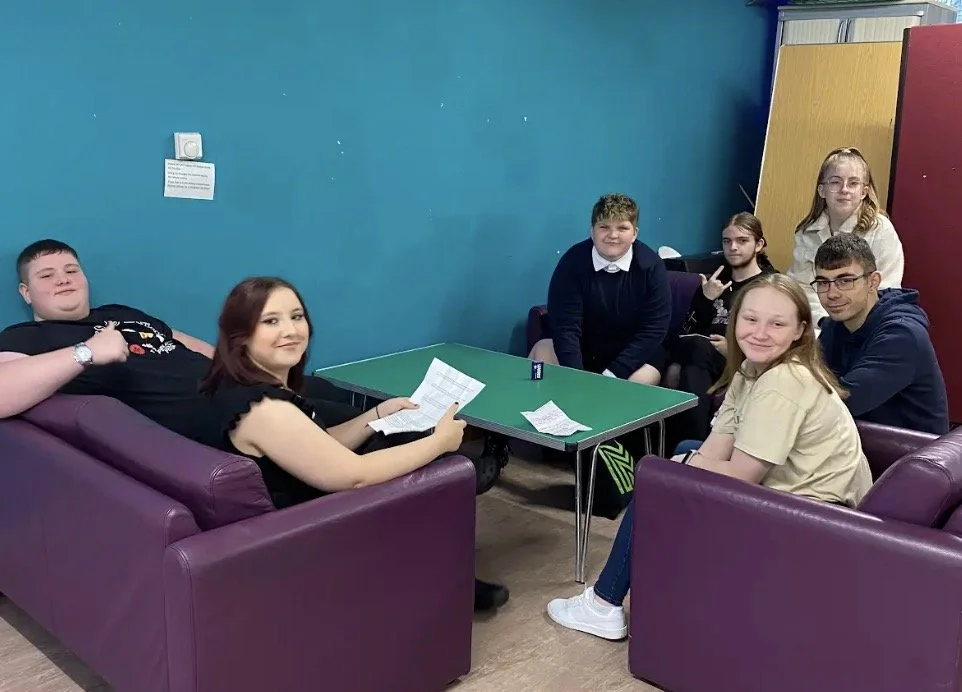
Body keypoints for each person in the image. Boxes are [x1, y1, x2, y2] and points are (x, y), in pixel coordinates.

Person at [545, 273, 872, 640]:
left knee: (656, 476)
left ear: (800, 330)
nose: (760, 332)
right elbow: (716, 446)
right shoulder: (753, 368)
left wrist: (676, 472)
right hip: (795, 492)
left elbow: (743, 474)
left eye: (777, 323)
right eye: (750, 319)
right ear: (735, 321)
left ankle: (603, 604)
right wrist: (687, 467)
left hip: (815, 519)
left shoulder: (784, 383)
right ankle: (661, 577)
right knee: (681, 457)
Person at [196, 276, 510, 611]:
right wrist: (440, 443)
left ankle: (452, 569)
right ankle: (454, 575)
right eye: (271, 321)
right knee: (437, 469)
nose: (290, 330)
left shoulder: (250, 388)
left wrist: (376, 413)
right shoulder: (266, 411)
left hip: (308, 502)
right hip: (311, 528)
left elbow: (318, 444)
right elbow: (354, 475)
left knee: (404, 442)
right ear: (241, 337)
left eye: (297, 317)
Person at [0, 239, 215, 438]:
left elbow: (190, 345)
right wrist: (87, 352)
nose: (63, 279)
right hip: (213, 420)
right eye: (47, 275)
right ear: (26, 292)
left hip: (232, 388)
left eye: (72, 270)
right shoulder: (25, 335)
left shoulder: (120, 312)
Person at [652, 212, 776, 445]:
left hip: (738, 357)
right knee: (679, 350)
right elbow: (688, 328)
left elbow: (774, 338)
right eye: (727, 241)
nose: (733, 247)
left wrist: (734, 349)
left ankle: (686, 445)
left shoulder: (771, 285)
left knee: (691, 352)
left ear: (759, 244)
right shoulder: (716, 280)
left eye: (742, 241)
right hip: (699, 353)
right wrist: (705, 299)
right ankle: (673, 445)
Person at [529, 193, 671, 384]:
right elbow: (565, 326)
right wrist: (577, 377)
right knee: (542, 349)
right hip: (582, 348)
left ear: (635, 233)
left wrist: (612, 374)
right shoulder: (572, 262)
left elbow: (654, 330)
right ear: (592, 231)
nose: (613, 235)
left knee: (631, 391)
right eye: (604, 227)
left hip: (634, 355)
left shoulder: (651, 266)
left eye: (622, 228)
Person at [814, 233, 948, 434]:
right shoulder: (836, 325)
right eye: (823, 282)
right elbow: (812, 378)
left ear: (873, 281)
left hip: (912, 456)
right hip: (862, 441)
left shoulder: (903, 335)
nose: (832, 293)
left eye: (845, 281)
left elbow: (843, 403)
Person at [788, 147, 904, 327]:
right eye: (835, 182)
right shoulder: (806, 232)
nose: (844, 190)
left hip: (865, 327)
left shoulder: (880, 230)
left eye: (853, 183)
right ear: (822, 190)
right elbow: (801, 287)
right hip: (818, 324)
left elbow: (886, 290)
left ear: (864, 192)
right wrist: (824, 322)